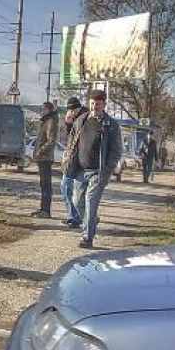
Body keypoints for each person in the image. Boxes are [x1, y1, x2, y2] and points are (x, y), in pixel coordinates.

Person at [64, 89, 122, 249]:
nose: (94, 106)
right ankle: (92, 220)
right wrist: (69, 159)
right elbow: (71, 141)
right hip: (80, 170)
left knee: (90, 202)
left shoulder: (110, 125)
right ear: (88, 103)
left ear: (104, 105)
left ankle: (87, 237)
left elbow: (116, 151)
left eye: (98, 103)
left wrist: (107, 171)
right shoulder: (81, 121)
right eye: (92, 103)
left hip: (98, 172)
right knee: (77, 203)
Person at [60, 97, 88, 228]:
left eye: (74, 109)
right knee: (65, 187)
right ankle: (73, 216)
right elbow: (70, 140)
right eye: (70, 110)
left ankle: (86, 218)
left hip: (82, 162)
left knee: (80, 194)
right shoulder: (73, 119)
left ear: (79, 108)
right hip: (71, 161)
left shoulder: (86, 118)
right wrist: (68, 124)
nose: (71, 112)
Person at [31, 102, 58, 219]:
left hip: (45, 158)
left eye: (42, 109)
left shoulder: (50, 122)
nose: (41, 111)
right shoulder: (45, 121)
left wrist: (40, 151)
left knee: (46, 185)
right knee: (43, 185)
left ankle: (46, 210)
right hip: (42, 158)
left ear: (48, 110)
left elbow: (51, 141)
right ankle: (43, 208)